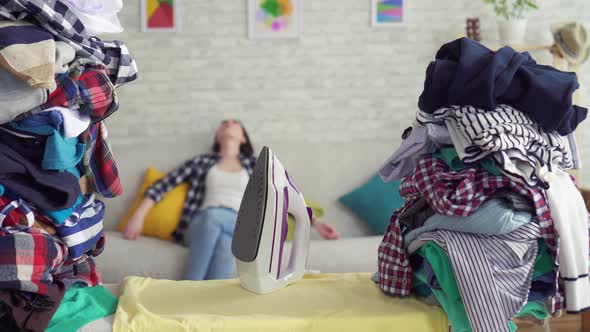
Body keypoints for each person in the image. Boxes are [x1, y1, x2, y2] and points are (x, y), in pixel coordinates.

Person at [122, 119, 339, 280]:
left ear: (243, 137)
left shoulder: (257, 165)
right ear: (217, 136)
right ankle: (188, 289)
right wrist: (138, 217)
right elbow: (162, 186)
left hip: (239, 226)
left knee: (227, 243)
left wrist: (316, 223)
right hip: (201, 224)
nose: (227, 123)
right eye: (223, 123)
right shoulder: (201, 162)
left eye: (234, 122)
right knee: (213, 219)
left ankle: (204, 307)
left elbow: (284, 194)